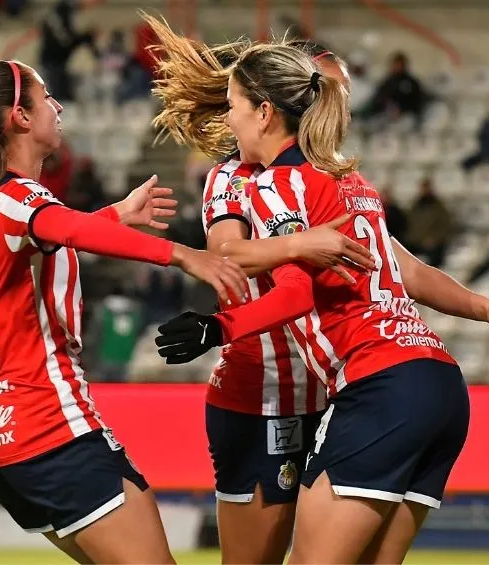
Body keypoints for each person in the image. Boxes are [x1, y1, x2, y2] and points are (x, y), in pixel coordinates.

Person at [154, 42, 489, 564]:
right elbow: (400, 270)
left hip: (367, 384)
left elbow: (288, 289)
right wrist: (487, 308)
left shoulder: (287, 183)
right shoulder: (343, 183)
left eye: (233, 104)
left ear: (268, 109)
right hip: (414, 380)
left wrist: (216, 326)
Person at [0, 60, 248, 563]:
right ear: (19, 116)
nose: (57, 106)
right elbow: (66, 231)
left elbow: (52, 237)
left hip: (3, 437)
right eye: (46, 98)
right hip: (49, 425)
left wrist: (116, 215)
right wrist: (185, 255)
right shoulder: (18, 197)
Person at [148, 16, 377, 562]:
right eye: (325, 92)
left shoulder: (337, 182)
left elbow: (397, 268)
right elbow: (228, 258)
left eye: (338, 95)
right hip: (263, 392)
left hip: (334, 393)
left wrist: (480, 307)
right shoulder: (233, 177)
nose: (333, 108)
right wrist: (303, 245)